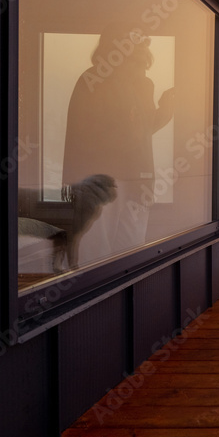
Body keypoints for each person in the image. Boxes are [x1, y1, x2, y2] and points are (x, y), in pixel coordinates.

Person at [62, 22, 175, 265]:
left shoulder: (142, 84)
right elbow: (93, 134)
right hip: (100, 180)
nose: (142, 61)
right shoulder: (95, 80)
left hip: (135, 180)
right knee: (95, 255)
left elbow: (139, 133)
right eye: (137, 53)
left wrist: (163, 113)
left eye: (142, 54)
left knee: (131, 252)